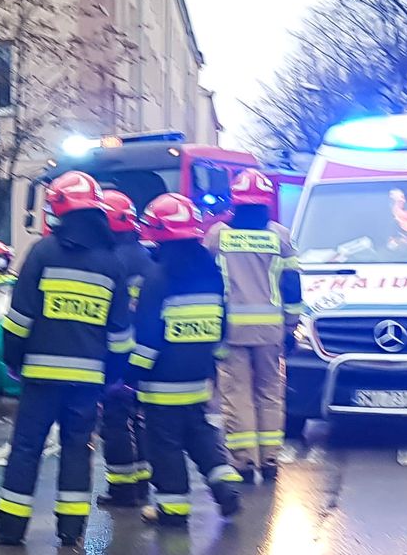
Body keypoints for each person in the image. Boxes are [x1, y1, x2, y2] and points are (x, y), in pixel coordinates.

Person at [0, 172, 133, 547]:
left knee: (26, 448)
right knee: (77, 450)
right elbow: (119, 334)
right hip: (86, 381)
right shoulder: (111, 263)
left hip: (40, 376)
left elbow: (18, 320)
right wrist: (110, 376)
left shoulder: (42, 253)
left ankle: (10, 528)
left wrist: (12, 360)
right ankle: (71, 530)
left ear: (61, 210)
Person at [129, 194, 242, 528]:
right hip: (198, 377)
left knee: (164, 445)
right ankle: (225, 484)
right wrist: (213, 360)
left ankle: (172, 509)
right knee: (199, 434)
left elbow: (148, 335)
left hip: (162, 381)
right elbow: (221, 324)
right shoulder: (210, 273)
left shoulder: (158, 277)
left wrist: (130, 374)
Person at [205, 168, 302, 481]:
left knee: (237, 395)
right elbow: (292, 287)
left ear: (236, 201)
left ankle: (244, 461)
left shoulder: (218, 236)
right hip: (270, 331)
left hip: (230, 330)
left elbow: (207, 285)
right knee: (270, 392)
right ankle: (271, 458)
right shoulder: (280, 237)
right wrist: (291, 326)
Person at [97, 190, 153, 508]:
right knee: (138, 417)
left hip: (118, 352)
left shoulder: (112, 260)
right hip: (145, 353)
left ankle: (122, 488)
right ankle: (142, 481)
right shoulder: (145, 257)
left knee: (115, 421)